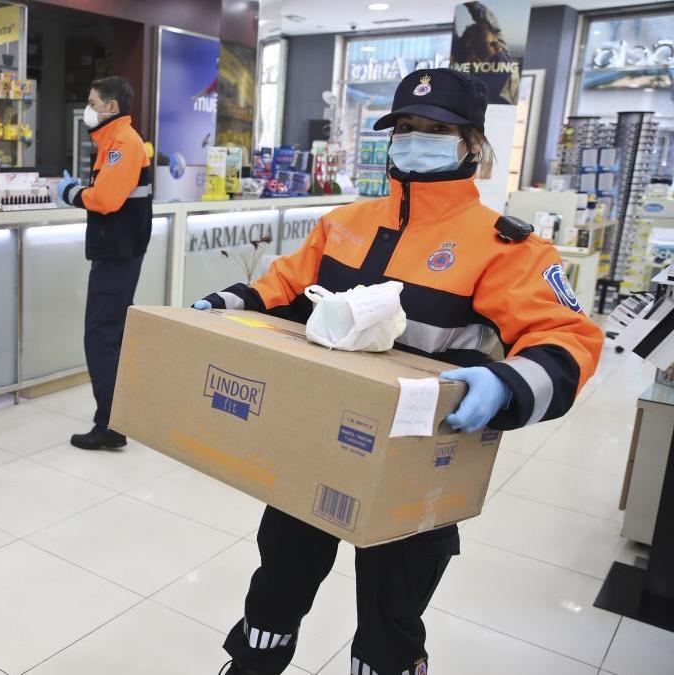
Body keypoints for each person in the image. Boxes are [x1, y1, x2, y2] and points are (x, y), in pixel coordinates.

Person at [193, 69, 603, 675]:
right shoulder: (346, 222)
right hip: (317, 436)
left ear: (472, 144)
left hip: (423, 453)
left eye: (434, 129)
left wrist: (507, 384)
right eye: (405, 128)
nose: (415, 141)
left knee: (392, 606)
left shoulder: (506, 246)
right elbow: (284, 285)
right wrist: (230, 303)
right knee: (280, 570)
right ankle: (254, 662)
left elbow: (568, 338)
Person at [56, 75, 153, 450]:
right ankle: (115, 418)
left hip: (118, 253)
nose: (89, 109)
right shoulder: (113, 141)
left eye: (93, 102)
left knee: (100, 336)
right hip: (117, 250)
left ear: (111, 107)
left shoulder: (123, 144)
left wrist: (71, 192)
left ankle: (110, 424)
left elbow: (107, 199)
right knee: (108, 335)